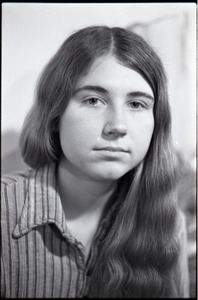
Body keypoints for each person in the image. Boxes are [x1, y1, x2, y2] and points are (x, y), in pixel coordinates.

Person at [1, 25, 189, 298]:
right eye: (93, 100)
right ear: (55, 114)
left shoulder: (170, 225)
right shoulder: (4, 212)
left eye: (136, 104)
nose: (117, 125)